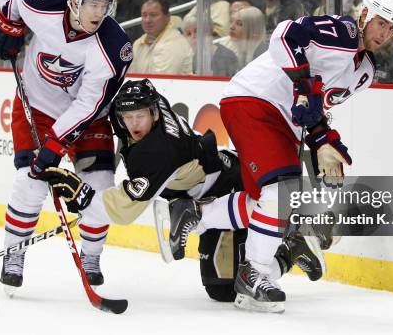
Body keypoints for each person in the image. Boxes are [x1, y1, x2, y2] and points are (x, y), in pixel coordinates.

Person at [168, 0, 393, 313]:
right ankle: (252, 273)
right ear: (365, 14)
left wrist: (323, 141)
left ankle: (193, 214)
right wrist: (303, 85)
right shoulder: (343, 31)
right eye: (382, 22)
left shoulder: (364, 71)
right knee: (280, 193)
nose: (386, 33)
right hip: (254, 98)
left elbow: (312, 108)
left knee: (271, 200)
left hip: (282, 120)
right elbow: (285, 35)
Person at [37, 79, 325, 302]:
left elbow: (122, 211)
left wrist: (82, 196)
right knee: (219, 289)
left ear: (153, 114)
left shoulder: (158, 150)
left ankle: (289, 245)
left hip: (229, 185)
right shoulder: (149, 111)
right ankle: (193, 210)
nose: (134, 124)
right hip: (200, 187)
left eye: (140, 116)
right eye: (128, 117)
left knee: (232, 289)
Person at [0, 0, 132, 292]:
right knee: (29, 181)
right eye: (91, 5)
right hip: (37, 107)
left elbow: (89, 106)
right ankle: (14, 255)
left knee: (99, 185)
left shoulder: (114, 47)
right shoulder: (45, 2)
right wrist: (8, 27)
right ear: (72, 1)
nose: (98, 13)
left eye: (104, 6)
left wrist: (56, 145)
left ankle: (92, 256)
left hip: (89, 119)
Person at [129, 0, 193, 74]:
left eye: (153, 15)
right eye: (144, 15)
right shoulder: (138, 43)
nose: (147, 20)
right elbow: (131, 76)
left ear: (167, 17)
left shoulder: (173, 43)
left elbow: (161, 83)